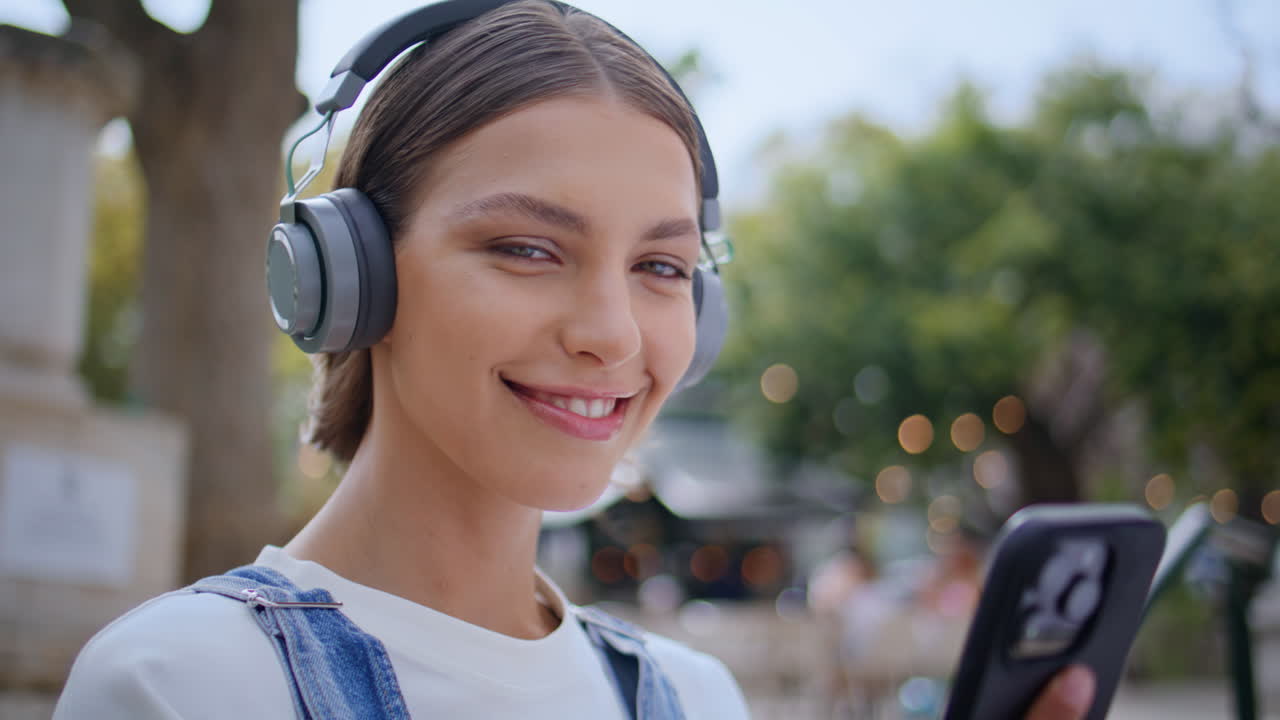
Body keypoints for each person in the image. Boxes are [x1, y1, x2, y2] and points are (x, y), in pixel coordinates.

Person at [53, 1, 1096, 718]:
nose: (614, 333)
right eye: (526, 249)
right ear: (350, 272)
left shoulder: (694, 699)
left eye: (660, 266)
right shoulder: (181, 687)